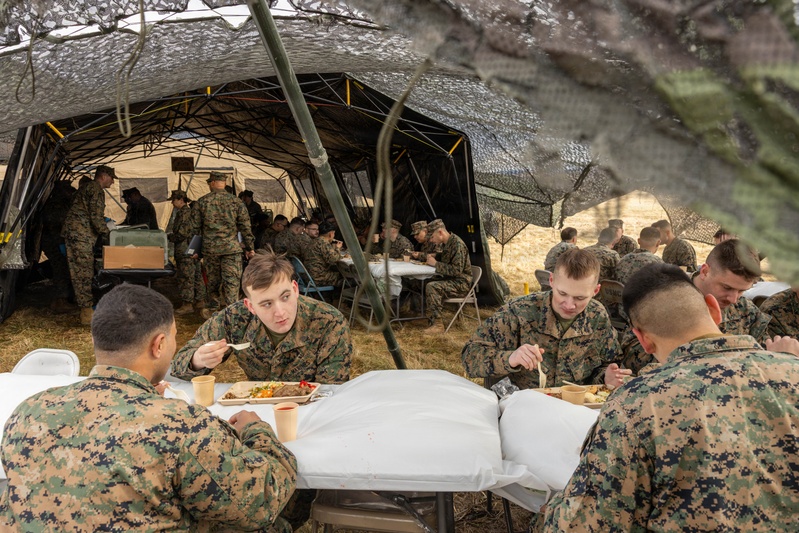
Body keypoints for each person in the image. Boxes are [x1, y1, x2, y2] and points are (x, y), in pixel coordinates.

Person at [0, 284, 298, 531]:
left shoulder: (28, 411)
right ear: (159, 345)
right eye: (175, 337)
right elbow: (262, 500)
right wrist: (256, 429)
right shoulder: (183, 426)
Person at [533, 263, 799, 532]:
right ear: (714, 309)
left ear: (643, 340)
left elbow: (586, 524)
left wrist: (548, 515)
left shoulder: (636, 404)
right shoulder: (791, 369)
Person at [171, 251, 351, 383]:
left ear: (295, 289)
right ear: (250, 306)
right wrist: (197, 360)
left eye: (285, 297)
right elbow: (178, 366)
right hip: (256, 408)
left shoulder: (329, 322)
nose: (280, 312)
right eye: (266, 304)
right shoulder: (234, 318)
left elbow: (332, 392)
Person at [462, 248, 628, 389]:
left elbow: (608, 363)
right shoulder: (519, 311)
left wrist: (606, 377)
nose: (569, 305)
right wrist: (511, 358)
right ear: (551, 281)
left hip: (574, 407)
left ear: (595, 291)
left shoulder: (597, 316)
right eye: (562, 293)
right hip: (522, 405)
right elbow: (470, 356)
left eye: (580, 298)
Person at [621, 239, 775, 374]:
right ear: (705, 271)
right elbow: (633, 358)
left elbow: (763, 358)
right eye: (726, 288)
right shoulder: (663, 297)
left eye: (742, 291)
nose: (734, 299)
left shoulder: (746, 311)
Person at [191, 171, 255, 317]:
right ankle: (232, 313)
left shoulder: (202, 202)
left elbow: (194, 229)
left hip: (211, 250)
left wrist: (195, 250)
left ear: (213, 183)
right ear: (224, 183)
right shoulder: (236, 202)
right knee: (231, 283)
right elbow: (245, 227)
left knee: (212, 282)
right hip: (231, 250)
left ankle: (213, 311)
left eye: (209, 183)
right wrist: (250, 248)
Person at [62, 165, 115, 325]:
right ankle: (86, 313)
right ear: (103, 176)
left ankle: (85, 308)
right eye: (112, 178)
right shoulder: (96, 189)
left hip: (76, 233)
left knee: (80, 270)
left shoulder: (87, 187)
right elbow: (96, 218)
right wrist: (110, 236)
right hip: (81, 235)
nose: (113, 182)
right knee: (83, 272)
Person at [422, 219, 473, 332]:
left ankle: (438, 325)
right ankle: (430, 317)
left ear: (440, 232)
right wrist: (433, 257)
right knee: (425, 281)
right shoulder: (448, 243)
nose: (431, 240)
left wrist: (436, 264)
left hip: (461, 283)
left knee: (432, 286)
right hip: (452, 280)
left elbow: (456, 270)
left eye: (432, 237)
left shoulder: (457, 244)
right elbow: (444, 258)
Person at [167, 189, 205, 315]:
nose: (172, 203)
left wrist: (171, 237)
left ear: (180, 200)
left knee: (186, 276)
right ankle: (200, 300)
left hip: (185, 249)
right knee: (196, 274)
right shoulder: (190, 212)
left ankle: (187, 304)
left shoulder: (184, 213)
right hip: (193, 246)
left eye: (173, 200)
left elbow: (182, 233)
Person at [40, 181, 76, 314]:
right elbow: (56, 223)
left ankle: (61, 299)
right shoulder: (55, 204)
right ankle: (60, 301)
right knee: (61, 270)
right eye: (68, 190)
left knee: (61, 269)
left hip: (57, 241)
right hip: (54, 242)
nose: (70, 193)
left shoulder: (61, 203)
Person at [304, 221, 344, 287]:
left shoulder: (314, 241)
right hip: (318, 277)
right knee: (345, 275)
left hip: (309, 276)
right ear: (331, 234)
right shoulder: (323, 242)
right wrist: (337, 248)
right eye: (334, 234)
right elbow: (333, 260)